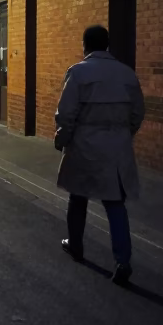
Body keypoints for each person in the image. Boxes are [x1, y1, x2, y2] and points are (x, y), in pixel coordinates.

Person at [54, 24, 145, 286]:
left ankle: (76, 244)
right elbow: (138, 113)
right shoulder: (127, 74)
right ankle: (123, 260)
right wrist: (123, 134)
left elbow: (66, 114)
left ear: (85, 45)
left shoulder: (78, 73)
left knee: (78, 196)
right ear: (107, 45)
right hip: (117, 147)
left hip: (85, 144)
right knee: (115, 203)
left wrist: (62, 140)